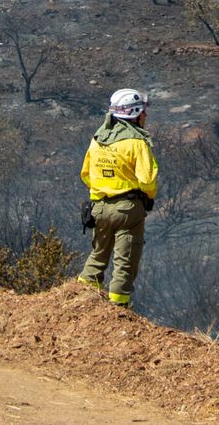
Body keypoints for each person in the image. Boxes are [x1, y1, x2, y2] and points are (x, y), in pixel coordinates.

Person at [77, 88, 158, 308]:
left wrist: (102, 190)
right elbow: (147, 179)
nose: (145, 117)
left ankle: (82, 302)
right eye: (143, 112)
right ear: (134, 113)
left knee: (97, 256)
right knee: (125, 262)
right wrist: (148, 198)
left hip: (99, 208)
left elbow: (85, 173)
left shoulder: (98, 138)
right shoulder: (137, 142)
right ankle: (118, 311)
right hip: (128, 210)